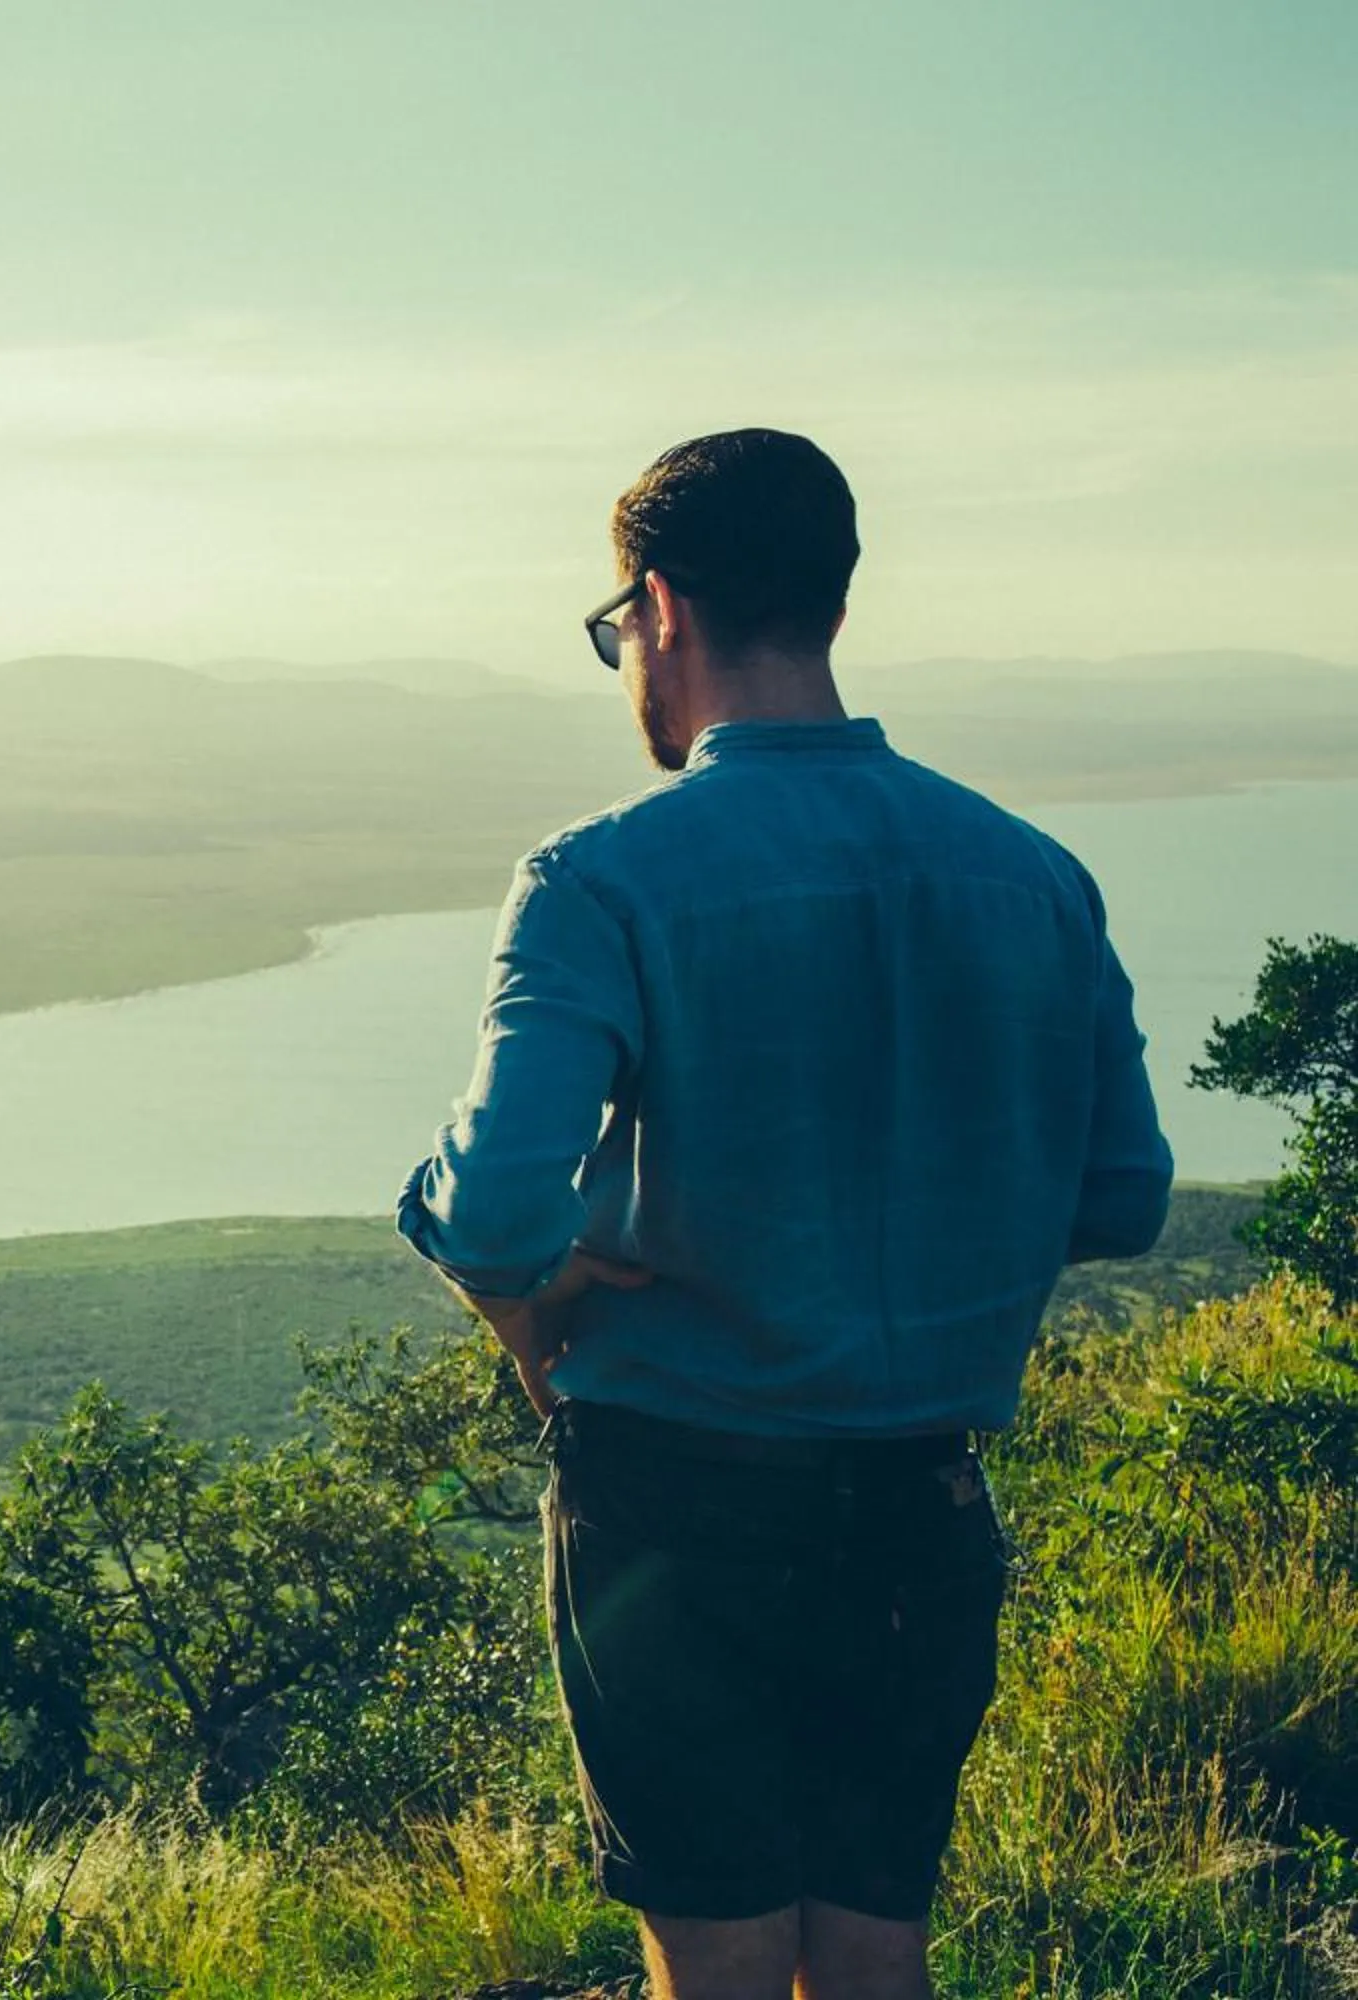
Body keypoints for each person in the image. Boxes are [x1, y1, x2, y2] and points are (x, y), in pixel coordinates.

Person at [394, 428, 1173, 2000]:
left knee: (724, 1965)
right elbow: (1124, 1197)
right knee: (880, 1953)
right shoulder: (1034, 874)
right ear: (826, 598)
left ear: (659, 607)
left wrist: (546, 1276)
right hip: (923, 1512)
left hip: (678, 1506)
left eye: (618, 632)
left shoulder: (600, 877)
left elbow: (483, 1216)